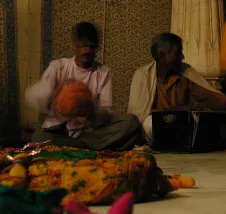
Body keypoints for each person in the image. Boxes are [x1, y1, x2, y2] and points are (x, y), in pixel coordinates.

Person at [25, 21, 140, 151]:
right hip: (57, 131)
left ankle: (73, 146)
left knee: (131, 122)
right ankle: (85, 148)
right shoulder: (59, 66)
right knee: (39, 136)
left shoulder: (103, 72)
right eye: (83, 46)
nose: (87, 51)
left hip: (87, 132)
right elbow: (31, 96)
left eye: (91, 46)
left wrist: (89, 109)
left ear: (96, 47)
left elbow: (108, 112)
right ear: (75, 43)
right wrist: (55, 95)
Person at [128, 33, 226, 145]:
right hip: (158, 124)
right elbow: (139, 114)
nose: (182, 56)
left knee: (204, 121)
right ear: (162, 55)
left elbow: (208, 95)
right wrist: (171, 111)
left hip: (181, 123)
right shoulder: (143, 75)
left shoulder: (185, 73)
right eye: (177, 52)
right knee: (149, 124)